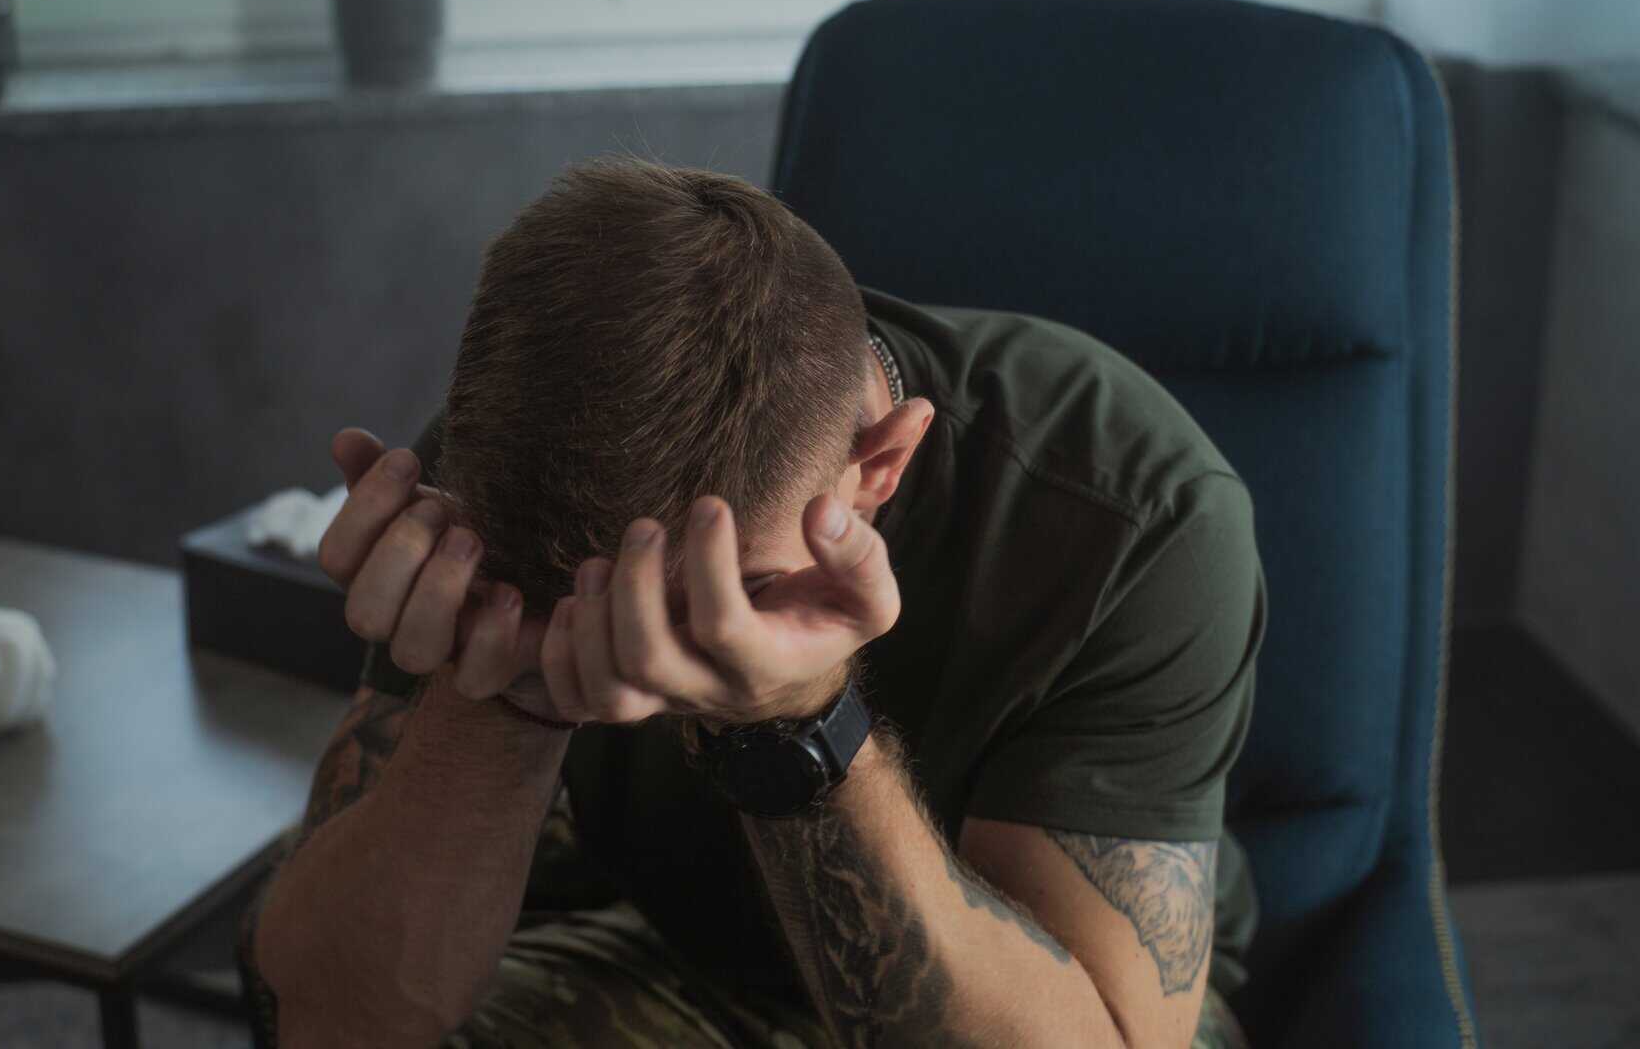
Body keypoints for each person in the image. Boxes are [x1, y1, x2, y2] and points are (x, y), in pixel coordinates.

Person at [238, 158, 1263, 1048]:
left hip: (1043, 995)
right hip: (683, 950)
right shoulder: (510, 467)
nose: (639, 664)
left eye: (724, 597)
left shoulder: (1130, 511)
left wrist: (798, 726)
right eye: (569, 607)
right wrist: (498, 698)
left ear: (879, 466)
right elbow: (331, 1023)